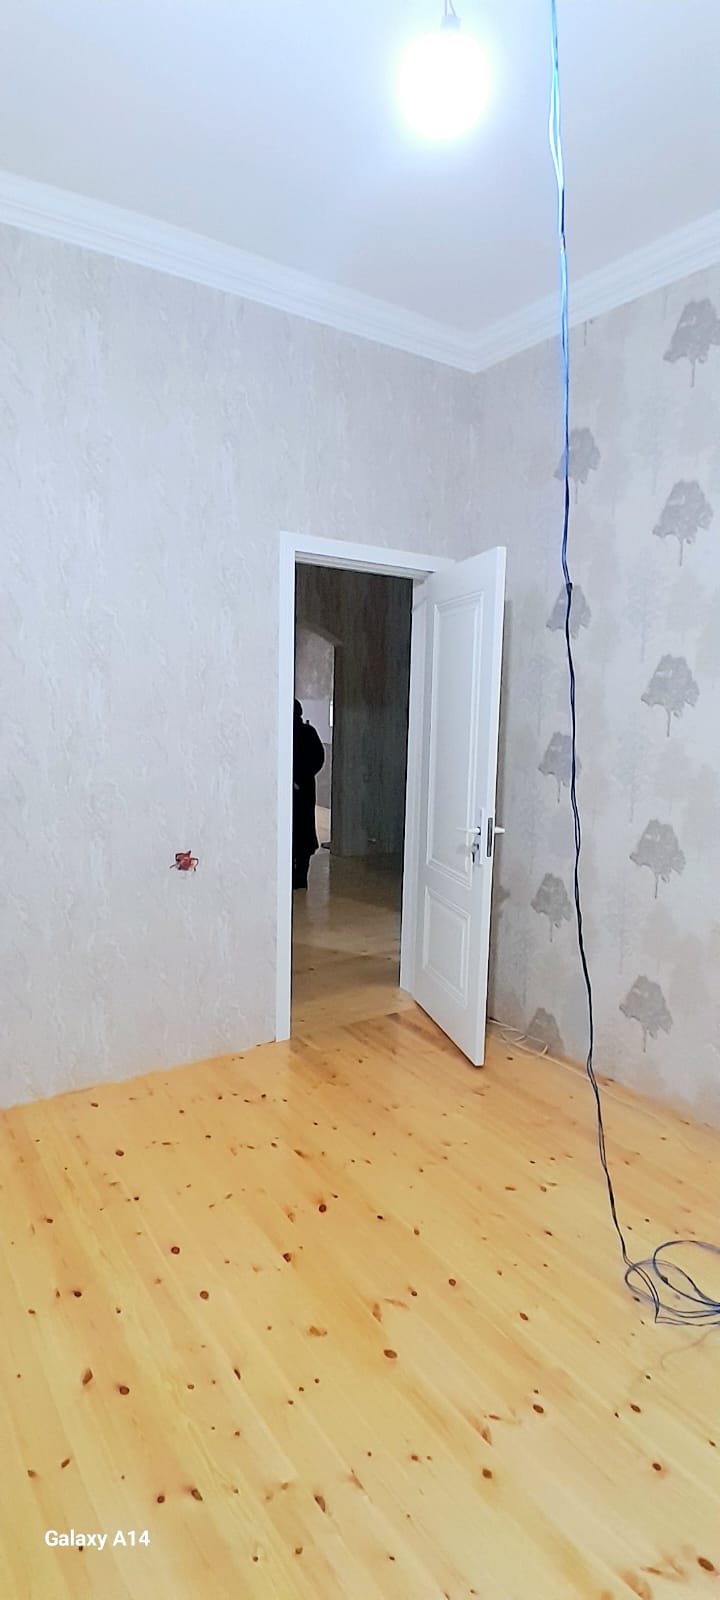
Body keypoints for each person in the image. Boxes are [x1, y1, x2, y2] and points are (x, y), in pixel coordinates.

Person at [293, 699, 325, 890]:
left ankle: (297, 876)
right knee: (302, 831)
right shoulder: (308, 732)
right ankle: (299, 876)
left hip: (301, 788)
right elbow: (318, 758)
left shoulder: (301, 732)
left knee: (299, 831)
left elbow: (317, 758)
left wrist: (296, 778)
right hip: (303, 788)